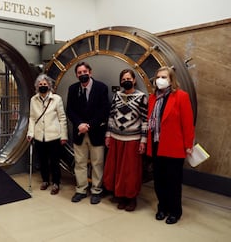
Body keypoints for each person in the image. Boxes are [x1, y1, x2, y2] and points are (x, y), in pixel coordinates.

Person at [146, 66, 195, 224]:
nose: (160, 80)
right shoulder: (153, 97)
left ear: (171, 80)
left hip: (174, 146)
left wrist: (188, 144)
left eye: (164, 77)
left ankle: (175, 211)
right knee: (159, 180)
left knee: (173, 182)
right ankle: (162, 208)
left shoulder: (181, 96)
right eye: (158, 77)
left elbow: (187, 123)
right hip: (156, 145)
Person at [103, 69, 148, 212]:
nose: (126, 81)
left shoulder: (142, 97)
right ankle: (120, 196)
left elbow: (145, 120)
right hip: (116, 139)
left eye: (128, 78)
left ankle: (131, 198)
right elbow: (111, 116)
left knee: (130, 172)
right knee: (116, 170)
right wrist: (108, 135)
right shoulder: (117, 95)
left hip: (133, 140)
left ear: (134, 80)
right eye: (123, 79)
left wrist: (143, 140)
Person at [66, 61, 110, 204]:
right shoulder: (72, 89)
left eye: (85, 72)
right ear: (77, 75)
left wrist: (89, 125)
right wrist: (79, 124)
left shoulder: (101, 88)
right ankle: (81, 189)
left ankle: (96, 190)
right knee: (80, 163)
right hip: (79, 133)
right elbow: (70, 110)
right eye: (79, 73)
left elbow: (104, 111)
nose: (82, 75)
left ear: (90, 72)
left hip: (96, 132)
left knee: (98, 163)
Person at [27, 74, 68, 195]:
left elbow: (62, 118)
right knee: (42, 160)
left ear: (49, 86)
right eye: (40, 85)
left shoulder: (56, 99)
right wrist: (30, 133)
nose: (43, 86)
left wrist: (64, 135)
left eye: (45, 84)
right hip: (39, 136)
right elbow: (32, 118)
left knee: (55, 161)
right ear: (37, 86)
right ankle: (45, 180)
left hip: (54, 136)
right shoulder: (33, 100)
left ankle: (56, 183)